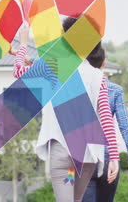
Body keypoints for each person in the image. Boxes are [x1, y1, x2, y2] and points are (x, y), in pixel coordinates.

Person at [13, 19, 120, 202]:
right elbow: (105, 117)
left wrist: (23, 44)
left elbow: (17, 71)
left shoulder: (53, 65)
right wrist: (114, 157)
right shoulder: (97, 76)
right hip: (86, 156)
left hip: (63, 153)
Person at [82, 44, 128, 202]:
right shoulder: (115, 90)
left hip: (82, 159)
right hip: (109, 159)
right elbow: (125, 126)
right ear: (104, 63)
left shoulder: (75, 87)